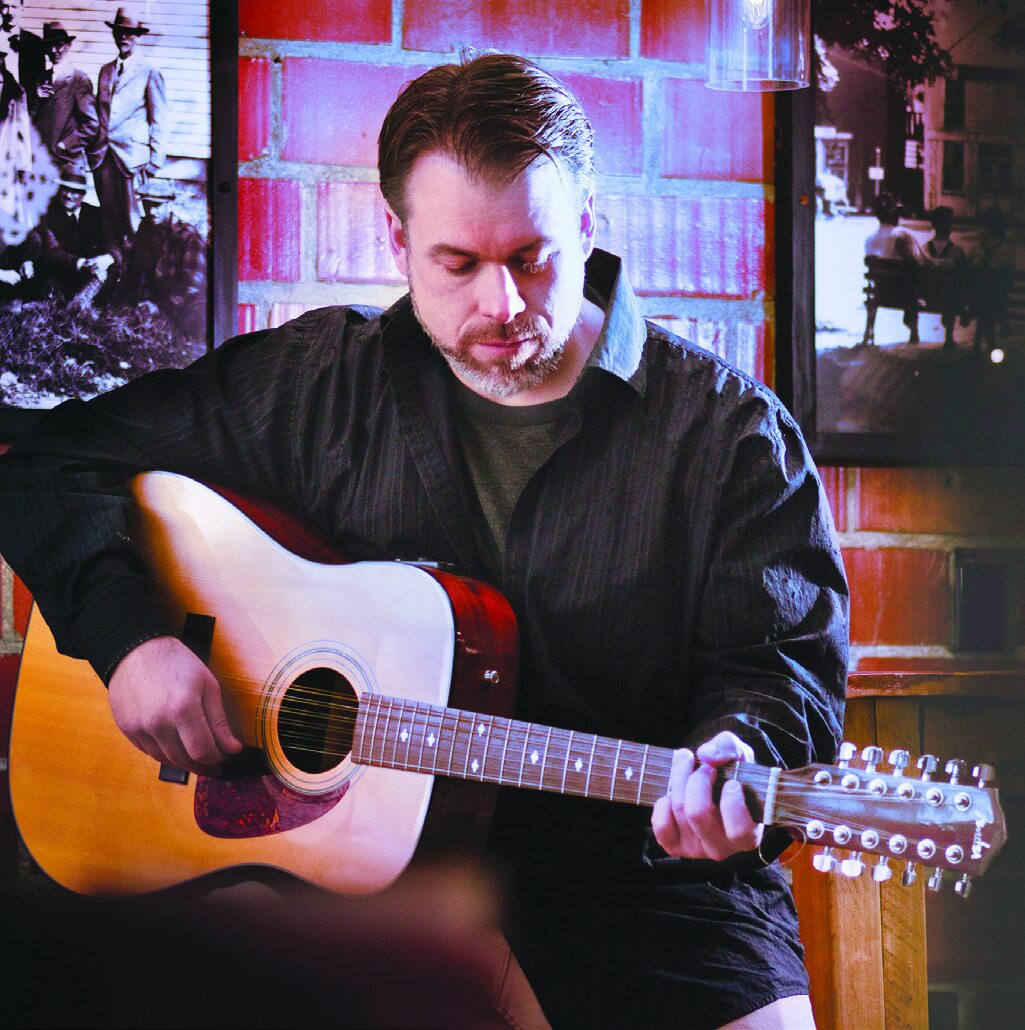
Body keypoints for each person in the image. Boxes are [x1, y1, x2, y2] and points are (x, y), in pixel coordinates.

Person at [0, 53, 848, 1029]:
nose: (501, 304)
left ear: (585, 224)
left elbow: (777, 674)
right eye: (458, 263)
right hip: (355, 882)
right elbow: (43, 465)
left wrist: (737, 756)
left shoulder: (731, 436)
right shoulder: (319, 381)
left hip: (646, 890)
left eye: (530, 257)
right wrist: (130, 638)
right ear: (397, 239)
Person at [89, 8, 168, 250]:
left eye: (130, 33)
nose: (124, 37)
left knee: (134, 221)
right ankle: (116, 266)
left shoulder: (149, 70)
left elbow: (159, 118)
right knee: (108, 218)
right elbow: (101, 112)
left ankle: (138, 270)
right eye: (119, 32)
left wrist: (155, 159)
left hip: (132, 158)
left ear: (138, 37)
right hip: (104, 157)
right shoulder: (105, 70)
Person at [115, 177, 206, 338]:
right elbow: (136, 270)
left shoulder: (188, 237)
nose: (151, 211)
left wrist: (159, 307)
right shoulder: (146, 228)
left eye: (157, 205)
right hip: (149, 302)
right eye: (147, 205)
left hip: (179, 307)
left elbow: (191, 287)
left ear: (170, 205)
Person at [36, 167, 118, 301]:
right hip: (59, 274)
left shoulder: (95, 213)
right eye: (65, 189)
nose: (68, 196)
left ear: (83, 193)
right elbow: (51, 251)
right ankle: (77, 304)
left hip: (90, 273)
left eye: (74, 191)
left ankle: (81, 302)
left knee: (108, 272)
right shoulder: (45, 213)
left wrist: (107, 258)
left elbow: (111, 242)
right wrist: (82, 263)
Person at [31, 21, 100, 176]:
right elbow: (31, 118)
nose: (54, 50)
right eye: (49, 46)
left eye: (59, 45)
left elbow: (91, 124)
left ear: (68, 46)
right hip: (42, 162)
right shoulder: (40, 79)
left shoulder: (79, 79)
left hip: (67, 163)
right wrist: (36, 98)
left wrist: (66, 145)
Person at [864, 192, 924, 344]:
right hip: (904, 293)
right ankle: (913, 330)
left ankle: (869, 331)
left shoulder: (869, 240)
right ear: (895, 215)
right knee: (913, 279)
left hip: (881, 292)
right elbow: (916, 263)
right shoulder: (901, 236)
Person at [967, 207, 1015, 358]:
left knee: (984, 296)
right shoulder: (1006, 251)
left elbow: (969, 275)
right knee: (994, 294)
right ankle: (995, 337)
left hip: (976, 300)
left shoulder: (975, 249)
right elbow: (1009, 280)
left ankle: (984, 342)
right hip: (996, 300)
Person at [921, 206, 967, 349]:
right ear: (950, 227)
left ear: (934, 225)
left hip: (928, 296)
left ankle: (914, 333)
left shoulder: (924, 249)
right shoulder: (957, 252)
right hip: (950, 299)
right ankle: (949, 336)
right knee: (953, 288)